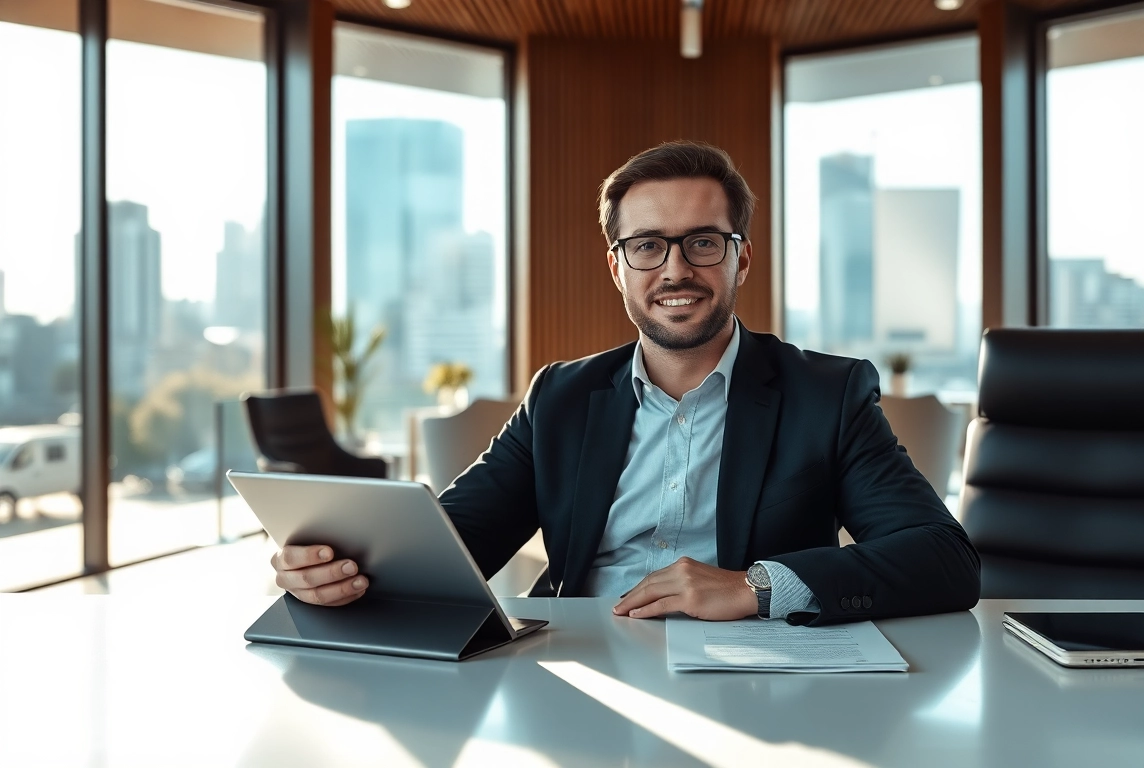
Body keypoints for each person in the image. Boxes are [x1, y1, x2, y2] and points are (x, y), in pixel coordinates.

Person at [272, 141, 980, 625]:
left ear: (742, 261)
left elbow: (943, 560)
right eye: (646, 246)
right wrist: (332, 569)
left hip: (759, 676)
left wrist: (757, 587)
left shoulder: (826, 395)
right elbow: (454, 545)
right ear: (618, 267)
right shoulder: (561, 397)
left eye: (704, 242)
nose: (675, 270)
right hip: (579, 671)